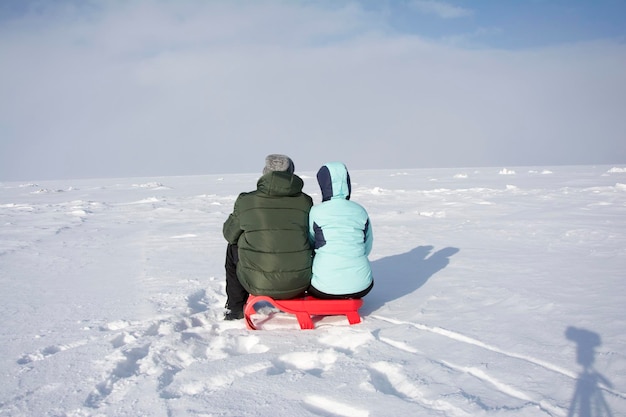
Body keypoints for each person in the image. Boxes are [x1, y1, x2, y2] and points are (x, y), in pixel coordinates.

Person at [222, 154, 313, 320]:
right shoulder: (305, 201)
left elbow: (229, 234)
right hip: (299, 282)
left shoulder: (247, 201)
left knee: (233, 246)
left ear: (264, 173)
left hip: (257, 284)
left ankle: (234, 308)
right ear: (291, 174)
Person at [307, 162, 374, 299]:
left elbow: (311, 242)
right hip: (362, 286)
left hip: (323, 288)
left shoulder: (316, 212)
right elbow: (367, 245)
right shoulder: (360, 210)